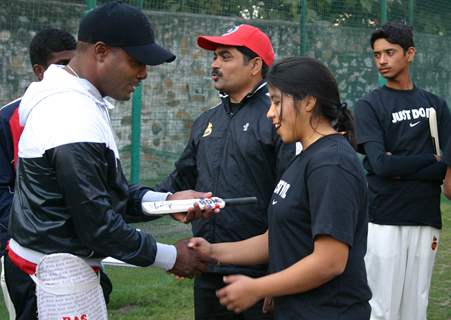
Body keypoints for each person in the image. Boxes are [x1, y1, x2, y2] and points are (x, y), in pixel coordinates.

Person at [4, 2, 215, 319]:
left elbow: (105, 195)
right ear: (101, 52)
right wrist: (171, 256)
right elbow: (98, 225)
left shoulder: (76, 99)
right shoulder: (70, 113)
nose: (144, 73)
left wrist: (168, 201)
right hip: (52, 277)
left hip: (59, 269)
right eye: (136, 61)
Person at [188, 56, 372, 319]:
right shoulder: (306, 157)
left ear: (308, 101)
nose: (270, 112)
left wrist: (258, 287)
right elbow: (279, 237)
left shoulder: (331, 163)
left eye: (276, 101)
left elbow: (330, 261)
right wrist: (214, 252)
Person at [157, 24, 295, 320]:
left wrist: (279, 273)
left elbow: (292, 201)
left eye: (225, 56)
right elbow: (181, 179)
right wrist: (139, 201)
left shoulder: (279, 119)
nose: (215, 64)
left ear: (255, 65)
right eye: (214, 57)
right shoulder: (206, 121)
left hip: (261, 273)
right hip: (208, 268)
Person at [354, 22, 451, 320]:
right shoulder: (369, 104)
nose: (381, 60)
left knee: (415, 308)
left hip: (425, 218)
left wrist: (401, 163)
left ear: (410, 54)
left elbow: (444, 169)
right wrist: (431, 161)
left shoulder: (435, 106)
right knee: (381, 309)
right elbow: (380, 165)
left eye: (390, 52)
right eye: (377, 54)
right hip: (384, 219)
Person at [0, 28, 76, 258]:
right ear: (39, 71)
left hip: (76, 238)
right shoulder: (7, 121)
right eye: (62, 64)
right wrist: (39, 225)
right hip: (23, 242)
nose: (71, 72)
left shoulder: (83, 114)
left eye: (74, 63)